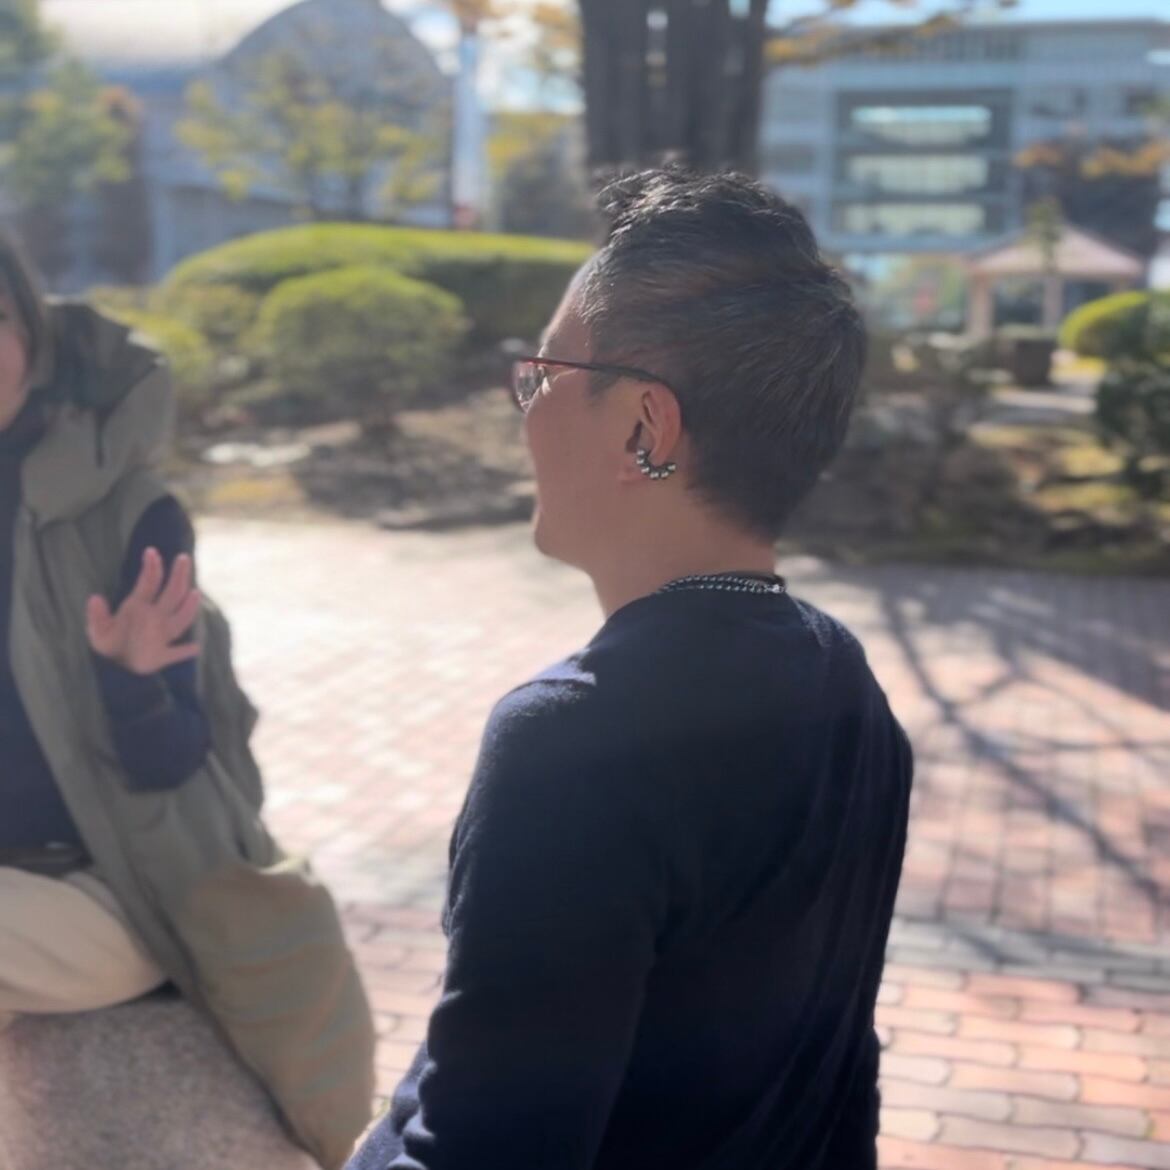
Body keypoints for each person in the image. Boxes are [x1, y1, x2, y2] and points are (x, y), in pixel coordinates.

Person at [348, 169, 913, 1170]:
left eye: (541, 376)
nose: (523, 409)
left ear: (644, 428)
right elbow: (840, 1076)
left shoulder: (575, 742)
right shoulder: (845, 681)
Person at [0, 233, 375, 1170]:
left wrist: (131, 682)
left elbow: (176, 763)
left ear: (31, 333)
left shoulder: (121, 512)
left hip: (114, 892)